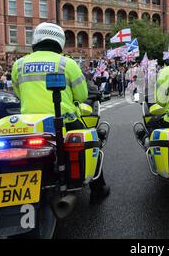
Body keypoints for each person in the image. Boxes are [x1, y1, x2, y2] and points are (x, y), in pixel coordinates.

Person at [11, 22, 110, 202]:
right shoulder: (67, 63)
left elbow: (18, 92)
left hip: (29, 125)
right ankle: (98, 189)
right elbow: (82, 95)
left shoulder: (19, 64)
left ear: (36, 40)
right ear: (60, 41)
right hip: (65, 121)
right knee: (93, 144)